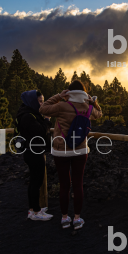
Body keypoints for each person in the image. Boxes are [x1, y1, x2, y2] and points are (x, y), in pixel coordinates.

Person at [39, 81, 102, 229]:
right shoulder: (88, 107)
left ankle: (65, 218)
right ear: (84, 93)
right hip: (80, 150)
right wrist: (94, 103)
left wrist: (58, 96)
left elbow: (43, 109)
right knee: (78, 184)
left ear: (69, 92)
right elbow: (99, 115)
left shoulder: (61, 106)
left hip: (61, 150)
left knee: (64, 186)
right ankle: (77, 219)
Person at [16, 90, 53, 221]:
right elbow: (41, 131)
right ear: (32, 101)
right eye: (40, 101)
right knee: (36, 182)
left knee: (34, 181)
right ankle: (36, 212)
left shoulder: (29, 114)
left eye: (43, 101)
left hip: (33, 151)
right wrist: (47, 120)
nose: (42, 103)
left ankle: (33, 209)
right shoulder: (28, 116)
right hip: (33, 152)